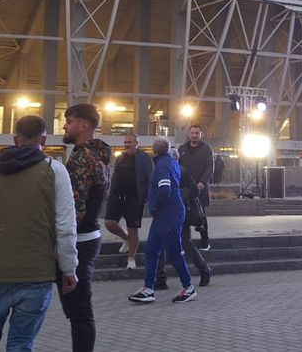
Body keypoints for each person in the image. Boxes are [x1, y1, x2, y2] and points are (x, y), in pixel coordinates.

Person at [0, 115, 78, 352]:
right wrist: (69, 268)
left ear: (15, 138)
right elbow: (66, 227)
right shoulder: (55, 171)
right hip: (36, 274)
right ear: (44, 140)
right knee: (21, 344)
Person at [56, 103, 111, 352]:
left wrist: (61, 244)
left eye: (69, 120)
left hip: (79, 241)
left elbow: (73, 211)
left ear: (83, 125)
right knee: (80, 313)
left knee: (79, 313)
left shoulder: (82, 160)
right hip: (90, 237)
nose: (65, 125)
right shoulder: (97, 156)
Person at [130, 137, 197, 304]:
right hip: (168, 214)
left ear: (154, 150)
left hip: (167, 214)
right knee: (152, 250)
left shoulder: (161, 166)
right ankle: (148, 288)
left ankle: (188, 287)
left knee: (173, 251)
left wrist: (154, 206)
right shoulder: (172, 162)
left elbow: (164, 189)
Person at [105, 134, 152, 270]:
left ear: (137, 143)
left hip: (135, 198)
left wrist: (148, 197)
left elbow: (150, 177)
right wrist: (110, 191)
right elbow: (115, 175)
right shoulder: (120, 157)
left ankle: (131, 258)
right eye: (125, 142)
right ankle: (126, 238)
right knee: (109, 223)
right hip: (117, 196)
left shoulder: (144, 158)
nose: (127, 144)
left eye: (129, 142)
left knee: (133, 229)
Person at [178, 125, 214, 250]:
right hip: (184, 189)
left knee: (200, 214)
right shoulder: (182, 149)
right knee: (183, 216)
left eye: (196, 133)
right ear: (189, 134)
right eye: (192, 133)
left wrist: (203, 182)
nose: (194, 135)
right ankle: (184, 242)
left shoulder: (206, 149)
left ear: (201, 134)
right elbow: (178, 167)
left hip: (200, 189)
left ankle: (205, 242)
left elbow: (210, 167)